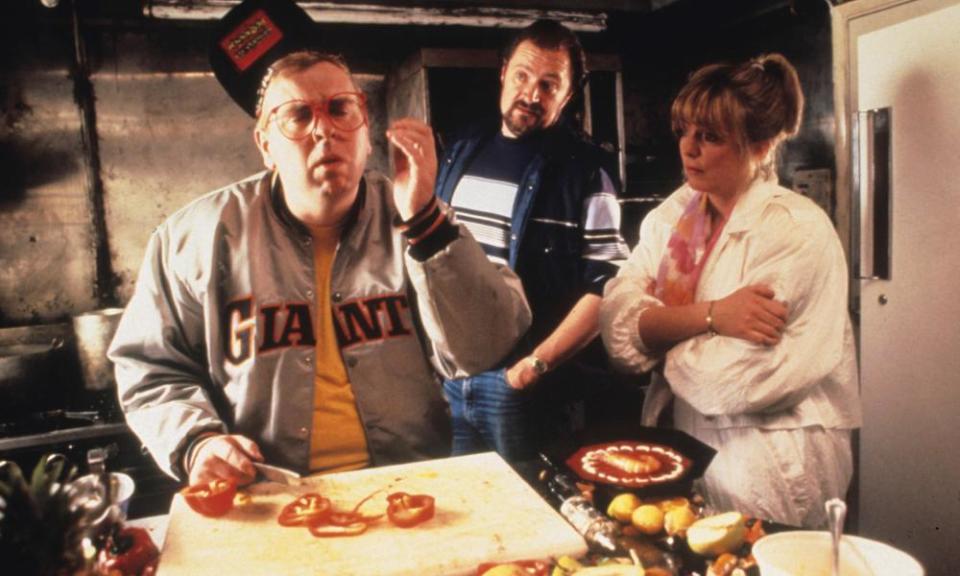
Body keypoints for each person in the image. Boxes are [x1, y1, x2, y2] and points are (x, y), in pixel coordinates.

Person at [108, 0, 530, 487]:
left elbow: (486, 347)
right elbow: (149, 369)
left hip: (408, 492)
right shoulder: (191, 240)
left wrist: (425, 220)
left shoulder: (417, 218)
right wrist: (196, 440)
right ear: (265, 143)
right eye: (297, 115)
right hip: (268, 495)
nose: (323, 129)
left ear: (365, 127)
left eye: (339, 108)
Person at [599, 53, 861, 528]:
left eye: (711, 136)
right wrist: (712, 316)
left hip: (777, 461)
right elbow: (617, 330)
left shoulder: (793, 229)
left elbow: (737, 378)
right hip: (695, 444)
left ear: (759, 145)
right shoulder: (674, 219)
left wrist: (658, 336)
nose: (689, 148)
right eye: (685, 131)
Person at [434, 20, 629, 461]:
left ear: (568, 94)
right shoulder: (460, 150)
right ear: (503, 72)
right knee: (471, 517)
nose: (532, 94)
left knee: (541, 514)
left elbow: (608, 285)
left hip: (523, 388)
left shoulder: (587, 172)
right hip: (450, 380)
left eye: (549, 84)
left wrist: (534, 367)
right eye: (523, 75)